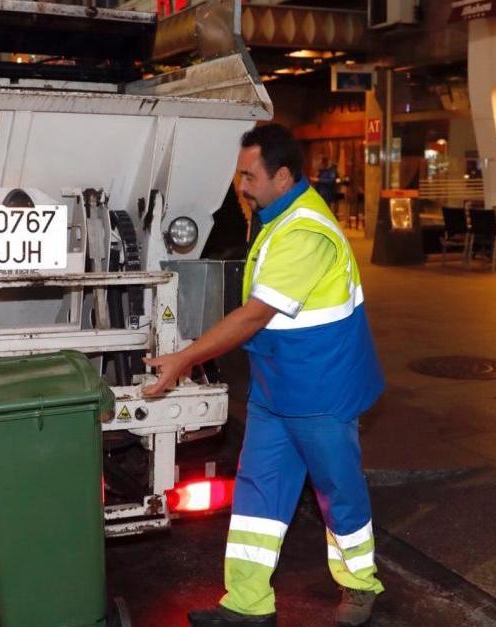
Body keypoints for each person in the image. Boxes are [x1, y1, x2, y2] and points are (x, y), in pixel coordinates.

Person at [142, 124, 385, 627]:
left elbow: (255, 314)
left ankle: (359, 588)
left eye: (249, 177)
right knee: (258, 493)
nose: (242, 187)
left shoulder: (306, 233)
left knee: (337, 491)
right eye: (239, 176)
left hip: (321, 391)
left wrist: (185, 357)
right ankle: (248, 603)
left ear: (282, 175)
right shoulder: (276, 216)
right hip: (278, 388)